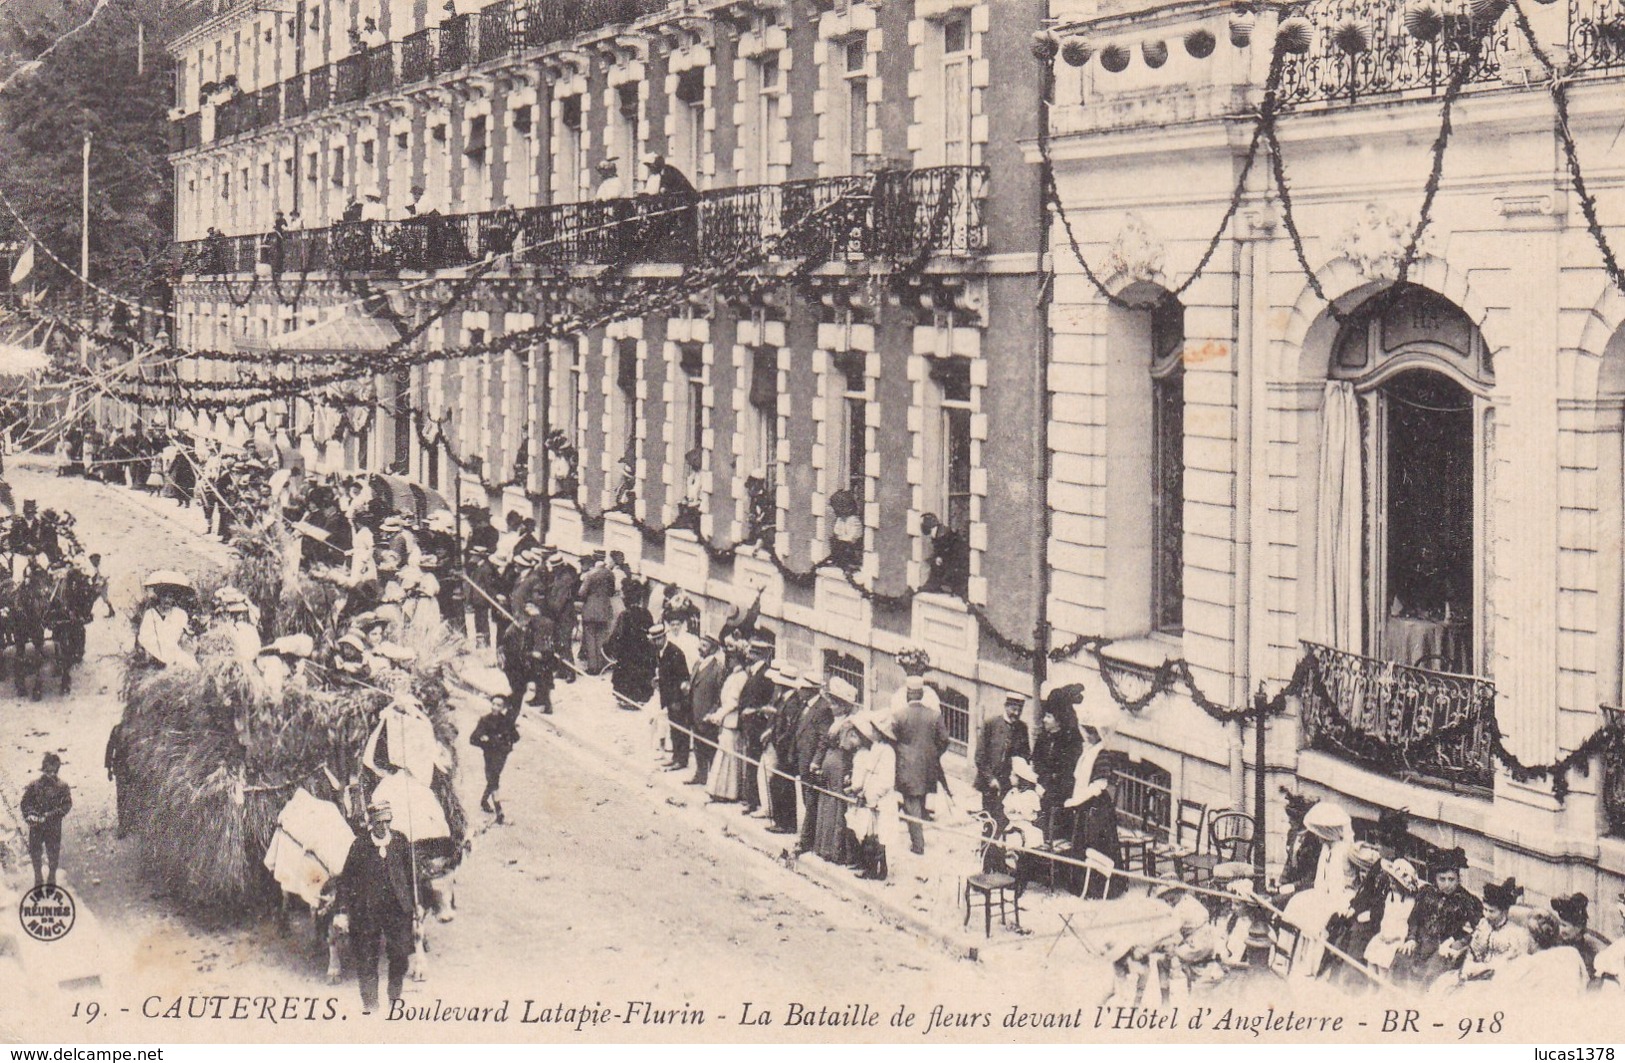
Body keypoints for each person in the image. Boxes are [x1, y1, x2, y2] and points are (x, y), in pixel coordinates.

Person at [335, 801, 417, 1015]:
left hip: (397, 909)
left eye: (387, 821)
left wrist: (415, 908)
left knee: (400, 954)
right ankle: (370, 1005)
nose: (384, 827)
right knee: (366, 957)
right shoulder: (360, 846)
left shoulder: (400, 841)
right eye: (379, 822)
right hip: (367, 911)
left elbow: (412, 877)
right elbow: (345, 880)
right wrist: (342, 912)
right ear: (371, 823)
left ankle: (394, 999)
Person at [1394, 847, 1483, 987]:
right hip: (1421, 942)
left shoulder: (1467, 900)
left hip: (1444, 947)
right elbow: (1414, 919)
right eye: (1442, 879)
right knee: (1400, 960)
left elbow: (1480, 929)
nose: (1447, 884)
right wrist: (1411, 938)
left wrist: (1459, 942)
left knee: (1430, 977)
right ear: (1435, 878)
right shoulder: (1426, 893)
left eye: (1451, 879)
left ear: (1458, 879)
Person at [891, 681, 949, 858]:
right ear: (922, 695)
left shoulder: (899, 715)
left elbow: (892, 739)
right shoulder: (934, 715)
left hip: (907, 767)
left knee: (911, 802)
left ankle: (918, 844)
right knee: (920, 798)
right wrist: (934, 754)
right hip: (928, 766)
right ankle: (918, 837)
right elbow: (945, 740)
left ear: (908, 695)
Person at [791, 673, 844, 855]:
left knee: (811, 801)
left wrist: (816, 761)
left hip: (812, 762)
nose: (799, 691)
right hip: (803, 759)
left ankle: (808, 839)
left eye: (802, 688)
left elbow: (823, 739)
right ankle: (809, 837)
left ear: (810, 690)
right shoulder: (807, 705)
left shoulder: (822, 709)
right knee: (807, 800)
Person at [1452, 878, 1533, 986]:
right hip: (1474, 973)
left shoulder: (1515, 933)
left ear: (1504, 911)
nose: (1487, 915)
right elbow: (1472, 952)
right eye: (1485, 910)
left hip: (1499, 979)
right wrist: (1466, 971)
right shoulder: (1483, 925)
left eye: (1492, 911)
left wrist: (1484, 970)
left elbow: (1514, 964)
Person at [975, 693, 1031, 836]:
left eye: (1019, 710)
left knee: (1006, 823)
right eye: (1013, 709)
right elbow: (980, 756)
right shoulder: (991, 724)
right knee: (989, 822)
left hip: (1009, 785)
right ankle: (986, 855)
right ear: (1006, 706)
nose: (1016, 713)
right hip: (990, 784)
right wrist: (990, 779)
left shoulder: (1022, 728)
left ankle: (1000, 856)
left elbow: (1025, 756)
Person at [1031, 691, 1082, 846]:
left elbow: (1067, 771)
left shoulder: (1070, 741)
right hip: (1043, 786)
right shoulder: (1043, 738)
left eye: (1048, 717)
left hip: (1062, 791)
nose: (1044, 720)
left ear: (1058, 721)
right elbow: (1037, 762)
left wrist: (1046, 786)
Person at [604, 578, 657, 711]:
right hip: (644, 652)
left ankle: (628, 699)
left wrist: (610, 647)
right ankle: (641, 698)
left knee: (627, 674)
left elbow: (618, 635)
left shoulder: (625, 615)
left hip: (628, 653)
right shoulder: (646, 613)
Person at [21, 752, 72, 887]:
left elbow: (66, 805)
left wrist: (50, 815)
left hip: (53, 826)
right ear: (43, 770)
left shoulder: (62, 786)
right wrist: (30, 815)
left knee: (53, 852)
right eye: (47, 771)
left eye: (53, 771)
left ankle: (52, 876)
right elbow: (25, 803)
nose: (50, 774)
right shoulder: (34, 786)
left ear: (57, 770)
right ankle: (38, 877)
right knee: (35, 851)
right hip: (36, 825)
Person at [469, 700, 520, 824]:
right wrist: (484, 742)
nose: (495, 707)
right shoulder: (485, 720)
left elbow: (516, 737)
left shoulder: (507, 721)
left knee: (493, 778)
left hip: (502, 755)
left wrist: (506, 742)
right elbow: (473, 739)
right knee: (494, 779)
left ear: (503, 707)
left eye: (498, 705)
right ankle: (499, 812)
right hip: (489, 754)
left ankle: (484, 800)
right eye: (493, 704)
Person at [686, 634, 727, 786]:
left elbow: (719, 695)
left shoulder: (718, 668)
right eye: (700, 645)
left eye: (704, 646)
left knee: (710, 748)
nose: (700, 648)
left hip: (707, 716)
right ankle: (700, 774)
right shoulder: (697, 663)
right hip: (694, 712)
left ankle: (713, 780)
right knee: (697, 745)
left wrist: (712, 712)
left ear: (713, 649)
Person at [577, 552, 615, 674]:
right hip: (604, 609)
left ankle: (593, 667)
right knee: (601, 638)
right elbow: (611, 592)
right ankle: (601, 664)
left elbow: (581, 593)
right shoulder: (610, 574)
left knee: (590, 638)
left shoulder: (590, 574)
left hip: (591, 609)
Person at [1552, 893, 1598, 982]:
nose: (1561, 930)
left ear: (1579, 927)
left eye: (1565, 926)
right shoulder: (1558, 942)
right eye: (1560, 924)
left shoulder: (1585, 955)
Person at [105, 722, 131, 839]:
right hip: (121, 767)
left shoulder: (139, 728)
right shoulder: (117, 730)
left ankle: (130, 824)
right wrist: (109, 768)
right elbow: (110, 748)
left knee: (131, 796)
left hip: (134, 767)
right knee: (122, 796)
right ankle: (123, 825)